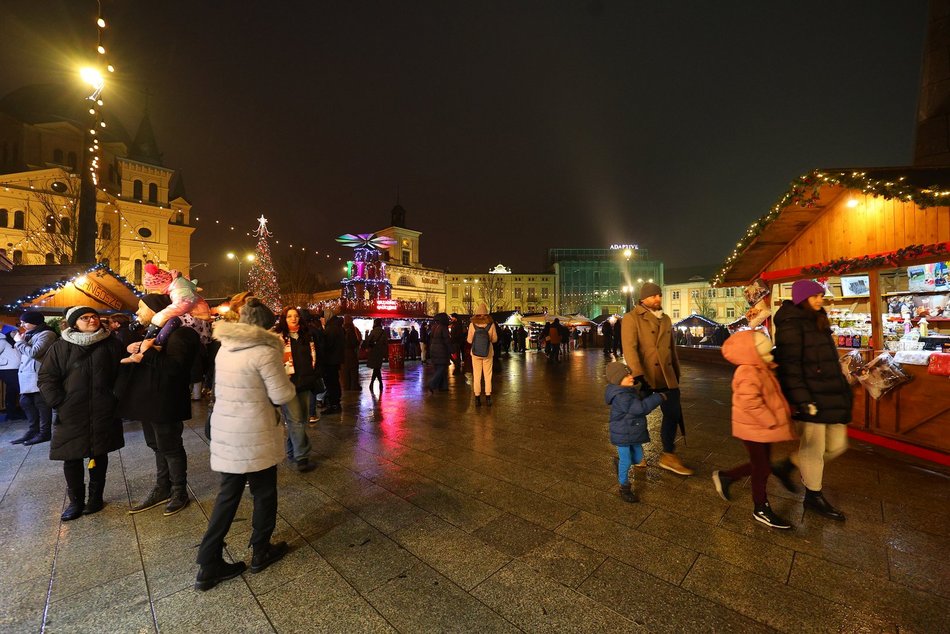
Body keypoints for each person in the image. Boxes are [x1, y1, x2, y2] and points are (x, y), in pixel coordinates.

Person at [195, 298, 296, 591]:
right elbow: (280, 395)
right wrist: (287, 378)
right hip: (254, 432)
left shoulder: (225, 348)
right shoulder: (265, 351)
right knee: (264, 492)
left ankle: (208, 561)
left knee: (228, 495)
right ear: (265, 326)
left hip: (227, 428)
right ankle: (261, 550)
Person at [773, 279, 852, 521]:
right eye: (815, 296)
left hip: (830, 392)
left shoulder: (818, 318)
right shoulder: (790, 323)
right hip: (810, 396)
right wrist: (802, 399)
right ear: (802, 298)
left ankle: (787, 465)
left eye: (821, 296)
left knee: (838, 444)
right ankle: (813, 495)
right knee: (813, 448)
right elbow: (790, 366)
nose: (820, 300)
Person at [38, 307, 125, 520]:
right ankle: (75, 501)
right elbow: (47, 377)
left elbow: (123, 372)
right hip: (71, 410)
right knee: (72, 456)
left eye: (93, 316)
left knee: (99, 453)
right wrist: (58, 401)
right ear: (74, 323)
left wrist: (115, 396)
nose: (91, 320)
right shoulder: (60, 347)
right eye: (84, 318)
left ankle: (95, 498)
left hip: (103, 408)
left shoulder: (112, 343)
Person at [120, 294, 201, 516]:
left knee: (171, 447)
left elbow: (176, 369)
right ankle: (162, 487)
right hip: (148, 402)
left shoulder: (181, 334)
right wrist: (135, 349)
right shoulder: (153, 335)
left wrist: (144, 355)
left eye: (141, 308)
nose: (137, 313)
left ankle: (178, 491)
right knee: (156, 445)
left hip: (167, 402)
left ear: (156, 309)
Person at [712, 330, 795, 529]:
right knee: (763, 467)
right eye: (765, 351)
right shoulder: (748, 372)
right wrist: (770, 420)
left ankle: (727, 477)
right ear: (752, 352)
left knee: (762, 464)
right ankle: (760, 507)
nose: (770, 354)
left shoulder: (760, 367)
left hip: (760, 427)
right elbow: (750, 402)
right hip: (754, 428)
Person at [621, 282, 694, 476]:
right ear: (643, 298)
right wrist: (637, 373)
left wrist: (676, 373)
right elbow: (629, 348)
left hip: (667, 376)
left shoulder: (667, 319)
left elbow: (671, 349)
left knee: (673, 413)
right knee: (637, 415)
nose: (658, 299)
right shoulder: (631, 318)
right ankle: (637, 453)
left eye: (659, 295)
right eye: (653, 296)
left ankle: (668, 454)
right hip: (645, 375)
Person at [605, 362, 665, 503]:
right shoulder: (621, 396)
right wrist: (658, 397)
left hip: (631, 431)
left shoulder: (627, 391)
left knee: (638, 458)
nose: (631, 377)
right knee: (627, 461)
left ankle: (621, 464)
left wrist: (642, 390)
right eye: (627, 375)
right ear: (618, 380)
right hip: (623, 433)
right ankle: (624, 487)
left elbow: (636, 399)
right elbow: (639, 408)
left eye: (630, 373)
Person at [274, 307, 318, 472]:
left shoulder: (307, 336)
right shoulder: (278, 337)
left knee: (301, 420)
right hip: (288, 383)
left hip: (305, 383)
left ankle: (293, 452)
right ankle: (302, 457)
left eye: (296, 316)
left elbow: (313, 358)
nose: (293, 319)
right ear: (284, 319)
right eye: (289, 316)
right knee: (296, 421)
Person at [11, 311, 57, 445]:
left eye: (25, 322)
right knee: (25, 402)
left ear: (35, 322)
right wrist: (20, 341)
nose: (22, 325)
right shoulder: (30, 334)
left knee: (41, 405)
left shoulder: (47, 334)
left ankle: (44, 433)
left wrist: (19, 342)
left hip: (38, 375)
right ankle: (33, 430)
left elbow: (34, 352)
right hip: (27, 374)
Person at [467, 303, 498, 406]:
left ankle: (477, 398)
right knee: (488, 375)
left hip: (475, 354)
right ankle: (488, 397)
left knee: (476, 375)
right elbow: (494, 339)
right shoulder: (491, 324)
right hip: (488, 353)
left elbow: (469, 340)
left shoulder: (472, 324)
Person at [320, 309, 343, 413]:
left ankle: (334, 405)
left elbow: (327, 346)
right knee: (335, 382)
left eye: (322, 318)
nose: (321, 320)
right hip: (335, 360)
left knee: (331, 383)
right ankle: (335, 403)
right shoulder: (337, 327)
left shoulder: (330, 329)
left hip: (330, 361)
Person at [0, 327, 22, 422]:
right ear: (8, 332)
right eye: (14, 331)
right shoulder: (2, 341)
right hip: (7, 370)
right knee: (20, 390)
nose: (16, 333)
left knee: (12, 392)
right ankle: (16, 412)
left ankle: (12, 413)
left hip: (14, 369)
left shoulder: (12, 341)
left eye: (17, 331)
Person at [426, 313, 451, 394]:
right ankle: (432, 383)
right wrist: (451, 349)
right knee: (441, 369)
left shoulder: (434, 327)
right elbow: (447, 341)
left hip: (434, 350)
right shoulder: (443, 328)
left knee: (439, 368)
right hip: (441, 351)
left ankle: (443, 386)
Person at [364, 319, 388, 392]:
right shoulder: (383, 332)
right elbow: (385, 343)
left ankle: (373, 383)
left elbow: (367, 341)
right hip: (380, 352)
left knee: (376, 368)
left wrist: (366, 334)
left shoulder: (373, 331)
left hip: (374, 352)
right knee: (377, 368)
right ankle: (379, 383)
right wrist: (385, 353)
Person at [341, 315, 362, 391]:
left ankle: (346, 387)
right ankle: (354, 386)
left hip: (343, 353)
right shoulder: (353, 329)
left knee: (345, 372)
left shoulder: (341, 329)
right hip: (351, 353)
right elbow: (355, 341)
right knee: (353, 370)